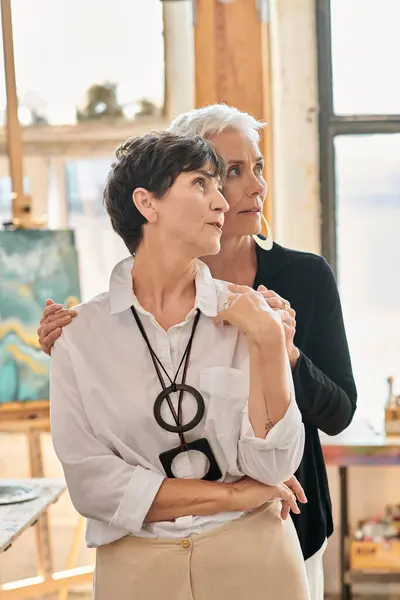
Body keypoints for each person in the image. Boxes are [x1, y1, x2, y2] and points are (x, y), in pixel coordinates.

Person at [38, 105, 357, 600]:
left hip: (281, 525)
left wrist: (277, 345)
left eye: (258, 168)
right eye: (222, 175)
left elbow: (328, 419)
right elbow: (94, 482)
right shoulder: (94, 329)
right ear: (149, 203)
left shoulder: (285, 292)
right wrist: (232, 494)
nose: (247, 189)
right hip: (142, 559)